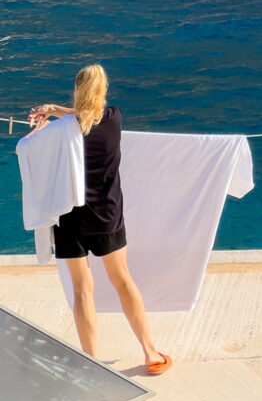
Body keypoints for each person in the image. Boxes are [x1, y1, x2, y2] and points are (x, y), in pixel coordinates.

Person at [29, 65, 171, 376]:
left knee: (82, 290)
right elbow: (90, 114)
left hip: (69, 219)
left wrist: (51, 113)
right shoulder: (114, 120)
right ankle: (150, 352)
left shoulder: (60, 131)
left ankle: (91, 364)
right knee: (122, 280)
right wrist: (58, 111)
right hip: (106, 215)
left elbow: (64, 127)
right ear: (102, 92)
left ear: (77, 90)